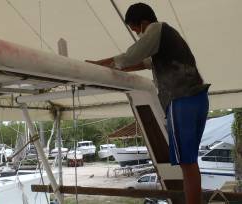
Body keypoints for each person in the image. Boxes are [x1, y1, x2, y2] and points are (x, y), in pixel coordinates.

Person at [86, 3, 210, 204]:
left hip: (182, 100)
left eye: (135, 28)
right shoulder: (169, 39)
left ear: (143, 22)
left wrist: (96, 65)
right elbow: (144, 63)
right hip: (197, 98)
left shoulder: (156, 30)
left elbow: (130, 56)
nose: (136, 33)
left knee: (187, 165)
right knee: (190, 163)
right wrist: (118, 69)